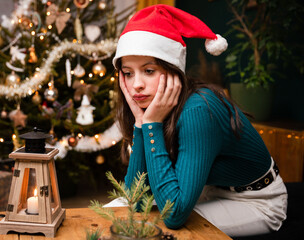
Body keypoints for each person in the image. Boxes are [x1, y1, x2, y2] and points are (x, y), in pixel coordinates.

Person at [111, 4, 288, 237]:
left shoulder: (198, 110)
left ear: (173, 69)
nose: (136, 85)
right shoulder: (153, 107)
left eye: (149, 71)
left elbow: (173, 215)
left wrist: (151, 124)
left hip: (256, 201)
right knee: (115, 214)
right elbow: (135, 198)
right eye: (128, 73)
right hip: (207, 191)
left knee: (154, 231)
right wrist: (140, 122)